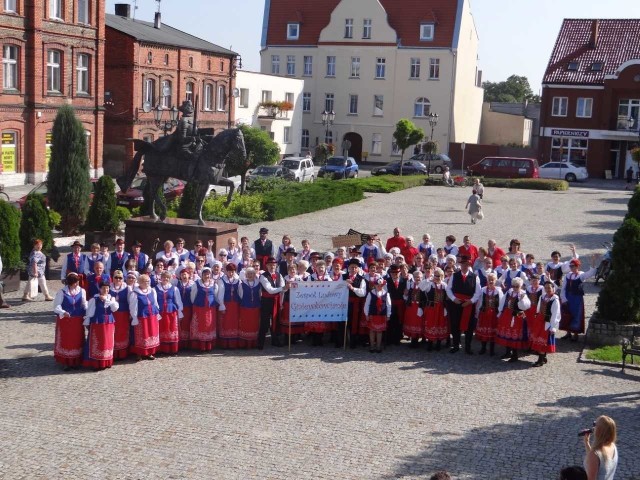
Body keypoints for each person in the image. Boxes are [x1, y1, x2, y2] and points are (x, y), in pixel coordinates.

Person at [446, 255, 481, 354]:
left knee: (469, 327)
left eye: (466, 264)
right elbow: (448, 289)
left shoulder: (475, 277)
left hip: (469, 304)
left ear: (469, 265)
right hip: (456, 303)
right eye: (462, 264)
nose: (464, 266)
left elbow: (477, 292)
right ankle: (456, 345)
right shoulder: (454, 275)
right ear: (460, 265)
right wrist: (454, 299)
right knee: (455, 324)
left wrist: (470, 301)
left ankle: (468, 347)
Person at [52, 272, 87, 369]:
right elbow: (56, 306)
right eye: (74, 282)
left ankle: (76, 361)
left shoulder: (82, 291)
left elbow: (84, 304)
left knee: (77, 340)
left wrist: (88, 311)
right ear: (69, 283)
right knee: (67, 341)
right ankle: (66, 362)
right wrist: (63, 312)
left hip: (77, 320)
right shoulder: (62, 292)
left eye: (77, 282)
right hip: (66, 321)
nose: (76, 284)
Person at [82, 281, 119, 370]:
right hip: (98, 324)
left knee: (108, 343)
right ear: (100, 289)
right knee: (98, 343)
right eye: (103, 288)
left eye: (107, 288)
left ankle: (107, 361)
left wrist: (107, 300)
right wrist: (87, 323)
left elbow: (114, 309)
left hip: (109, 324)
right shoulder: (94, 299)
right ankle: (96, 363)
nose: (106, 290)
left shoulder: (111, 298)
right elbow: (89, 312)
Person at [561, 256, 597, 341]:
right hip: (568, 297)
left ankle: (575, 334)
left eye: (573, 266)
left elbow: (591, 273)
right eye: (570, 266)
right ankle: (568, 332)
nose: (571, 267)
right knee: (566, 313)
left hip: (577, 298)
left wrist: (593, 261)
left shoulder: (581, 275)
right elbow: (563, 288)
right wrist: (563, 298)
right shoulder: (567, 275)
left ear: (577, 266)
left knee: (576, 314)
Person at [495, 277, 531, 362]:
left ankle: (515, 355)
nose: (515, 288)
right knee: (507, 334)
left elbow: (525, 307)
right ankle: (508, 352)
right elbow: (503, 302)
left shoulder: (523, 294)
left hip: (517, 316)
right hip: (507, 315)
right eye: (513, 286)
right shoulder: (509, 292)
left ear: (520, 286)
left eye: (517, 286)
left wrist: (521, 300)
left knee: (514, 335)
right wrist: (500, 312)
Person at [129, 273, 160, 360]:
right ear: (140, 282)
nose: (147, 283)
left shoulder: (152, 291)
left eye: (148, 281)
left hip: (152, 316)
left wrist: (157, 312)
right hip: (142, 317)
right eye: (145, 281)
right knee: (141, 335)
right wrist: (134, 317)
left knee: (151, 333)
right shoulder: (135, 293)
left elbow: (155, 303)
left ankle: (149, 352)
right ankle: (139, 353)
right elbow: (133, 306)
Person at [530, 281, 561, 367]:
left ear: (553, 288)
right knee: (539, 339)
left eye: (549, 288)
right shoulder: (542, 297)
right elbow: (538, 308)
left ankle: (540, 360)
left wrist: (553, 327)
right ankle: (543, 358)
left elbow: (556, 314)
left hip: (547, 322)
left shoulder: (555, 300)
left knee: (543, 341)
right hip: (540, 320)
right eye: (546, 288)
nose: (547, 289)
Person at [189, 267, 220, 351]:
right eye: (205, 274)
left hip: (210, 309)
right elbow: (193, 295)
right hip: (200, 308)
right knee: (201, 325)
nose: (207, 276)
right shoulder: (196, 284)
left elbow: (216, 296)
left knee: (209, 325)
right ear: (202, 275)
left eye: (208, 274)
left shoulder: (214, 284)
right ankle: (201, 345)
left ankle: (209, 345)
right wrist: (196, 304)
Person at [258, 257, 285, 349]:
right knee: (264, 321)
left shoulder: (279, 275)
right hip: (266, 301)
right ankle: (260, 342)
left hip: (276, 301)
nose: (272, 266)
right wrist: (283, 288)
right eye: (270, 265)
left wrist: (281, 303)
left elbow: (282, 289)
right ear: (266, 266)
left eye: (274, 265)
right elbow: (270, 290)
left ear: (276, 265)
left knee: (276, 321)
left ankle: (275, 340)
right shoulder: (263, 276)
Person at [475, 272, 503, 356]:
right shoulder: (483, 289)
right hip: (484, 313)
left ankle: (492, 349)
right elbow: (479, 302)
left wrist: (500, 314)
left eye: (492, 280)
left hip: (494, 314)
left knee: (492, 331)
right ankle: (483, 348)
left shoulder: (498, 291)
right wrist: (477, 313)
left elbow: (501, 303)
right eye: (489, 280)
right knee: (484, 330)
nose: (491, 281)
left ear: (495, 281)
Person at [156, 271, 184, 354]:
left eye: (167, 277)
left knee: (171, 329)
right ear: (161, 278)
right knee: (162, 329)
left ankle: (172, 349)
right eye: (164, 277)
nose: (165, 279)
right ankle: (162, 349)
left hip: (171, 311)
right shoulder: (155, 289)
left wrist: (180, 311)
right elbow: (154, 301)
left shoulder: (174, 288)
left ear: (170, 279)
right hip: (161, 312)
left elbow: (178, 300)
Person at [422, 267, 449, 351]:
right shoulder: (430, 284)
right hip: (431, 308)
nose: (438, 278)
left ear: (442, 276)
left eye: (439, 276)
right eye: (436, 276)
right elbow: (421, 287)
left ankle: (438, 343)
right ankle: (430, 343)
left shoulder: (444, 285)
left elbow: (448, 297)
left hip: (441, 308)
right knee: (431, 324)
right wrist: (428, 279)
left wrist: (446, 308)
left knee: (440, 324)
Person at [583, 415, 618, 480]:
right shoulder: (613, 446)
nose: (593, 427)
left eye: (595, 424)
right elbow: (596, 460)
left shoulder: (595, 454)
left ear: (599, 430)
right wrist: (586, 442)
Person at [364, 278, 391, 353]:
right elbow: (367, 304)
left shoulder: (386, 293)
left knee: (379, 331)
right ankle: (372, 346)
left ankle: (378, 346)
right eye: (378, 285)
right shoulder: (371, 293)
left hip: (381, 315)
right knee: (372, 330)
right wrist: (366, 314)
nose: (379, 287)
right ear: (375, 285)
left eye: (381, 285)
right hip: (373, 314)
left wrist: (388, 315)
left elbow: (389, 305)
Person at [109, 270, 132, 360]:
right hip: (112, 314)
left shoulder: (127, 288)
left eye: (120, 278)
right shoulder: (109, 287)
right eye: (116, 277)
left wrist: (130, 313)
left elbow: (130, 301)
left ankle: (122, 353)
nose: (118, 279)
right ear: (113, 278)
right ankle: (113, 353)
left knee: (122, 332)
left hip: (123, 313)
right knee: (113, 332)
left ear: (123, 279)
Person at [237, 267, 262, 349]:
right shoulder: (242, 284)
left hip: (255, 307)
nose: (250, 275)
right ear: (246, 275)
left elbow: (259, 295)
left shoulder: (258, 284)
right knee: (246, 324)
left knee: (254, 325)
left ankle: (253, 343)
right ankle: (245, 343)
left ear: (255, 275)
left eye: (252, 273)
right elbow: (240, 295)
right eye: (249, 274)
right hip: (245, 307)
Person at [218, 263, 241, 349]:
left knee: (234, 323)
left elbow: (240, 292)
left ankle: (233, 344)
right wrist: (222, 305)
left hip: (235, 304)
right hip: (226, 304)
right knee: (226, 323)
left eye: (232, 272)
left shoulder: (237, 280)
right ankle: (225, 344)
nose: (231, 273)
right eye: (229, 271)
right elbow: (220, 293)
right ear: (226, 271)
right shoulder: (222, 280)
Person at [403, 270, 426, 348]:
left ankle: (422, 339)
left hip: (420, 307)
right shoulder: (410, 285)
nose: (417, 278)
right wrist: (405, 294)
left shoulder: (424, 286)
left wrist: (422, 307)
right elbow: (406, 297)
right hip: (411, 307)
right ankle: (413, 340)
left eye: (419, 277)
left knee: (419, 323)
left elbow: (426, 298)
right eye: (416, 277)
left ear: (421, 278)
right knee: (412, 323)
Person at [176, 268, 195, 349]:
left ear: (189, 275)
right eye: (182, 274)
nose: (184, 276)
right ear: (180, 276)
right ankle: (180, 343)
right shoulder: (177, 284)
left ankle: (187, 343)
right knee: (179, 324)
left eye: (185, 274)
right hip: (179, 307)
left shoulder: (192, 284)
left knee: (187, 323)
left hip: (188, 306)